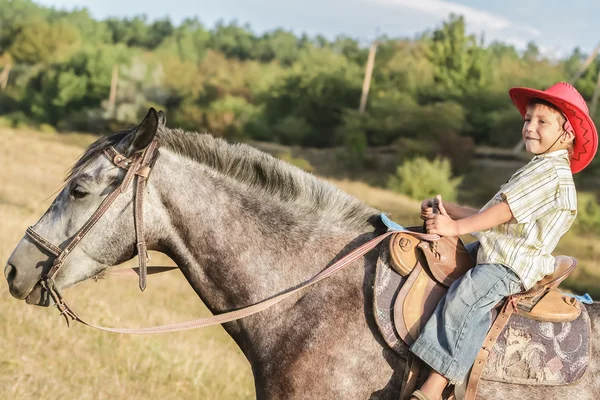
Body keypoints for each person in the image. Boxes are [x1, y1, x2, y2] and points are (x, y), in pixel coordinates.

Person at [409, 82, 598, 400]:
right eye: (528, 119)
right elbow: (494, 216)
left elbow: (503, 212)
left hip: (510, 264)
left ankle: (435, 385)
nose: (530, 128)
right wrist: (450, 210)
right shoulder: (539, 166)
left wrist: (454, 227)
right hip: (495, 249)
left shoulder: (552, 173)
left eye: (542, 122)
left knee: (468, 297)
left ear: (567, 134)